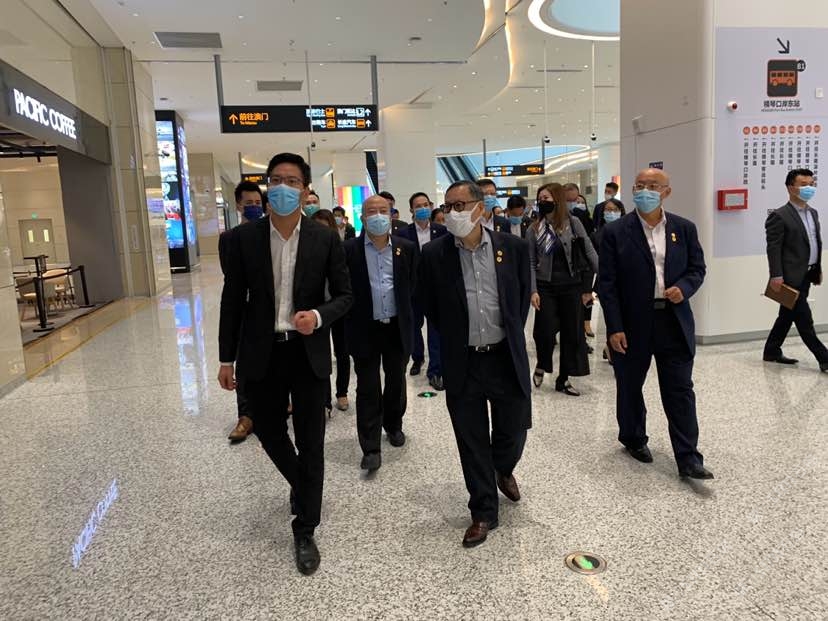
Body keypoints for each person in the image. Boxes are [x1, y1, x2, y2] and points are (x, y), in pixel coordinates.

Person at [218, 152, 353, 575]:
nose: (282, 187)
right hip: (261, 351)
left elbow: (345, 296)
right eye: (275, 180)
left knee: (312, 440)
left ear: (306, 190)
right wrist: (225, 358)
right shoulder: (243, 239)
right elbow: (232, 300)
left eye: (292, 181)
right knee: (268, 428)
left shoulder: (324, 238)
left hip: (306, 350)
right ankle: (303, 484)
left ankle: (305, 527)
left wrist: (319, 316)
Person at [419, 180, 532, 548]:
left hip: (504, 356)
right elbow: (430, 307)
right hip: (464, 360)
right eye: (447, 207)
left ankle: (503, 467)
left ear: (481, 208)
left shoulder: (513, 248)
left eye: (460, 205)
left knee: (514, 430)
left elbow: (519, 302)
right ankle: (483, 510)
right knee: (471, 440)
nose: (453, 213)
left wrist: (506, 334)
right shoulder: (434, 255)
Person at [598, 167, 712, 480]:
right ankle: (633, 437)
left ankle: (688, 457)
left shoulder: (683, 228)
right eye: (639, 186)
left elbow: (697, 269)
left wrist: (684, 288)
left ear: (666, 192)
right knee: (630, 385)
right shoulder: (615, 232)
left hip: (673, 320)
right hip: (632, 323)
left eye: (652, 186)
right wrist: (614, 327)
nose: (645, 191)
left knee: (680, 389)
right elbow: (607, 284)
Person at [344, 195, 417, 471]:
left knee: (396, 380)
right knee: (367, 386)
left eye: (382, 210)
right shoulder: (348, 250)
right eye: (371, 211)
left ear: (391, 214)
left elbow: (413, 286)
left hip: (397, 327)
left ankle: (394, 425)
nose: (377, 215)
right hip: (364, 328)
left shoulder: (406, 248)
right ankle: (370, 446)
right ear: (362, 217)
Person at [527, 183, 598, 397]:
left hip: (571, 286)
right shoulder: (534, 229)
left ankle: (563, 378)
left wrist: (606, 277)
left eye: (546, 198)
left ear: (557, 200)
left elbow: (589, 251)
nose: (542, 202)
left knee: (572, 333)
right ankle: (542, 362)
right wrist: (533, 290)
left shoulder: (573, 223)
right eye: (540, 198)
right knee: (545, 331)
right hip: (545, 287)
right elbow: (530, 262)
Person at [763, 168, 828, 371]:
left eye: (811, 184)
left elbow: (814, 243)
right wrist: (776, 275)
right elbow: (773, 248)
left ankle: (771, 350)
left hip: (808, 273)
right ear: (791, 188)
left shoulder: (813, 213)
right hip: (790, 276)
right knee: (804, 319)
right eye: (804, 184)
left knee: (786, 315)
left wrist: (817, 268)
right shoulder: (779, 216)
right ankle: (824, 358)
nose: (809, 188)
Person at [222, 180, 265, 442]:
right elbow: (231, 281)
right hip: (245, 311)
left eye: (258, 203)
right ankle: (246, 415)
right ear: (238, 205)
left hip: (271, 310)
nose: (254, 207)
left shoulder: (271, 232)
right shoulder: (230, 238)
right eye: (249, 203)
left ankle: (277, 405)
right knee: (245, 363)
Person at [395, 192, 448, 391]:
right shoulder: (402, 233)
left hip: (436, 289)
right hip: (413, 289)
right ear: (411, 210)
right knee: (414, 327)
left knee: (435, 329)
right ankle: (417, 358)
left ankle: (435, 370)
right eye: (418, 206)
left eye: (426, 204)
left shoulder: (441, 231)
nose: (423, 208)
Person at [312, 209, 352, 412]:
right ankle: (324, 398)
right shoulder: (307, 252)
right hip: (315, 309)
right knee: (320, 354)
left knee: (342, 352)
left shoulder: (342, 250)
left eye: (325, 228)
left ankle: (342, 392)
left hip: (338, 307)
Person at [592, 199, 626, 363]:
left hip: (627, 282)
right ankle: (611, 347)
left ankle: (610, 346)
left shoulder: (629, 232)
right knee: (611, 316)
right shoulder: (597, 235)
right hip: (606, 284)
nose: (611, 213)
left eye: (615, 209)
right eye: (608, 210)